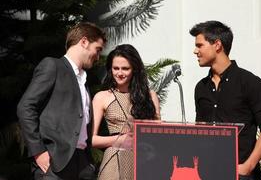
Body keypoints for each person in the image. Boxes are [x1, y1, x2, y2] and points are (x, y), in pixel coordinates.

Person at [17, 22, 107, 180]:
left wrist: (89, 163)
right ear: (84, 42)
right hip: (54, 163)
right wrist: (38, 151)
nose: (98, 57)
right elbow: (25, 107)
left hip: (83, 163)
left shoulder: (84, 80)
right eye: (97, 50)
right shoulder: (53, 66)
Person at [189, 20, 261, 180]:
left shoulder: (250, 82)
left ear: (217, 45)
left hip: (241, 174)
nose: (195, 51)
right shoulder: (200, 87)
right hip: (207, 173)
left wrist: (248, 166)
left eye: (199, 45)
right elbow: (199, 129)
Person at [92, 44, 160, 180]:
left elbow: (158, 133)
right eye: (115, 68)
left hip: (143, 161)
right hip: (113, 161)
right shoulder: (102, 97)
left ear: (134, 69)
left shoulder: (150, 96)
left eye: (125, 68)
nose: (120, 73)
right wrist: (119, 140)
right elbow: (91, 139)